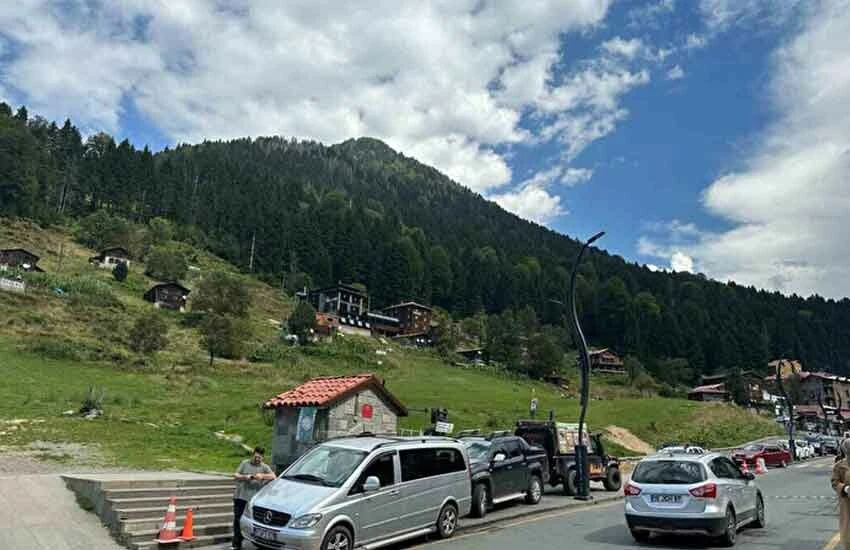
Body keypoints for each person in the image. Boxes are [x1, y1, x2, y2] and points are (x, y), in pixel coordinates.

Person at [232, 447, 276, 550]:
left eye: (260, 458)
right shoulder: (245, 463)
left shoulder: (264, 467)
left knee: (253, 523)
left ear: (263, 458)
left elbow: (274, 476)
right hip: (240, 497)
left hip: (253, 501)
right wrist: (245, 477)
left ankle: (253, 541)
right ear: (253, 455)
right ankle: (236, 544)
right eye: (256, 457)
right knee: (238, 520)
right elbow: (235, 475)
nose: (257, 459)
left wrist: (262, 476)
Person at [830, 439, 850, 549]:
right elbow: (834, 482)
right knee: (848, 535)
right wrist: (845, 489)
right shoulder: (839, 466)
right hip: (847, 504)